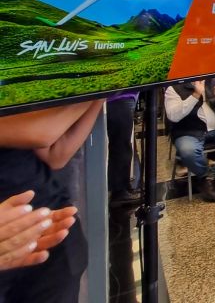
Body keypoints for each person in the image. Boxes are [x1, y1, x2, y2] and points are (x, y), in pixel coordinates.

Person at [0, 100, 104, 301]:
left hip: (49, 224)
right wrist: (109, 80)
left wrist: (101, 95)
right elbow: (41, 132)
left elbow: (57, 153)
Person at [165, 77, 215, 202]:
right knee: (188, 151)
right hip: (189, 131)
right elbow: (173, 116)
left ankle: (213, 175)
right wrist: (195, 95)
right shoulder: (174, 87)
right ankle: (203, 176)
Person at [106, 92, 142, 207]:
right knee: (121, 146)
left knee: (123, 145)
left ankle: (124, 187)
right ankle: (119, 191)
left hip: (123, 97)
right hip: (118, 98)